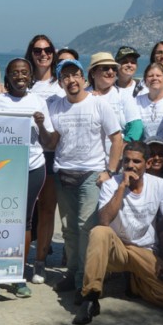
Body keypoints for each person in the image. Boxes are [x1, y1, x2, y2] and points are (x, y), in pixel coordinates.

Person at [74, 141, 163, 324]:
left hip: (145, 251)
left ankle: (135, 281)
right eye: (127, 161)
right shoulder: (111, 185)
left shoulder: (159, 184)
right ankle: (90, 297)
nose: (131, 165)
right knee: (99, 232)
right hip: (118, 250)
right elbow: (104, 220)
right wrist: (122, 187)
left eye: (137, 161)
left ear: (147, 164)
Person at [48, 58, 124, 297]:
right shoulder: (56, 106)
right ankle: (72, 274)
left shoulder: (99, 104)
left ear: (83, 78)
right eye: (65, 77)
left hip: (91, 174)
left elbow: (117, 139)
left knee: (85, 227)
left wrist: (109, 171)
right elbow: (52, 140)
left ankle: (84, 278)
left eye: (75, 75)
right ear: (60, 83)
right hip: (63, 173)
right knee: (69, 229)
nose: (71, 80)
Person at [0, 58, 57, 293]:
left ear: (30, 76)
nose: (20, 76)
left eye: (24, 72)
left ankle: (17, 273)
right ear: (7, 75)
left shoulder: (38, 101)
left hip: (33, 167)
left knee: (24, 221)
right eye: (15, 72)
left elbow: (48, 142)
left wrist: (41, 124)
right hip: (4, 169)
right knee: (0, 219)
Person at [24, 34, 63, 283]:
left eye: (47, 49)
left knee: (48, 210)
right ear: (31, 53)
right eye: (37, 50)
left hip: (53, 155)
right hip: (26, 156)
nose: (43, 54)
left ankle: (39, 261)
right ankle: (17, 259)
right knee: (24, 212)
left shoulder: (61, 85)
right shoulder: (22, 83)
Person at [86, 51, 144, 146]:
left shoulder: (123, 95)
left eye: (114, 68)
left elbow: (136, 127)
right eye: (105, 68)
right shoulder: (84, 95)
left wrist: (123, 147)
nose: (110, 72)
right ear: (93, 72)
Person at [135, 62, 163, 146]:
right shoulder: (137, 101)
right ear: (145, 81)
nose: (154, 78)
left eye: (158, 75)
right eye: (150, 76)